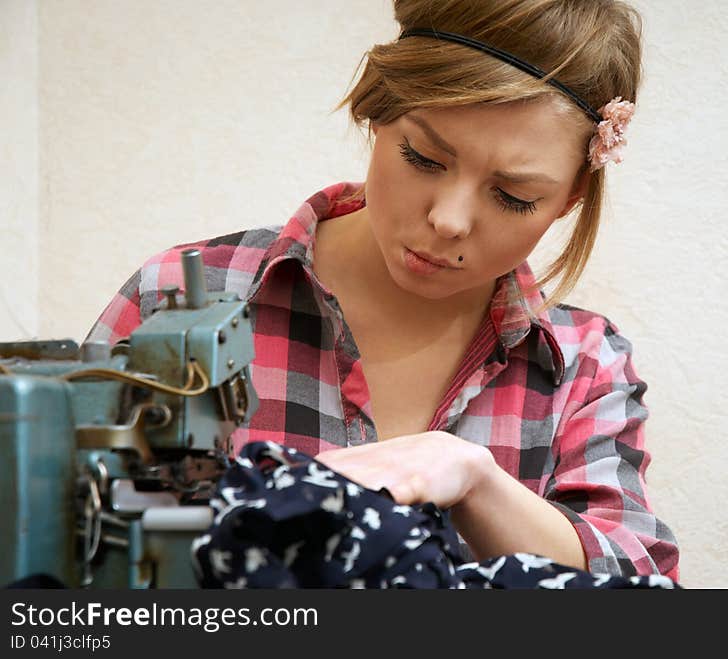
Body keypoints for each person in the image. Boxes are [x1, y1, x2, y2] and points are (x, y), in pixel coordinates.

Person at [87, 0, 680, 580]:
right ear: (376, 109)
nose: (449, 220)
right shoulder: (179, 298)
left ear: (569, 199)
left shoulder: (582, 367)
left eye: (514, 196)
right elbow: (59, 550)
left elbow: (639, 582)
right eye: (423, 157)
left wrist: (472, 479)